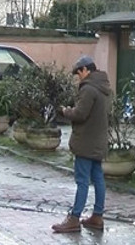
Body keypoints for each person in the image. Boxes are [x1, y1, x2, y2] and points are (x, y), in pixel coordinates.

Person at [51, 55, 112, 233]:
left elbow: (80, 114)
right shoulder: (104, 87)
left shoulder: (89, 89)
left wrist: (64, 110)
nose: (79, 77)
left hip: (86, 142)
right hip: (98, 141)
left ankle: (74, 218)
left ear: (86, 70)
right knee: (98, 179)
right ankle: (97, 216)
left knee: (82, 181)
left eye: (79, 73)